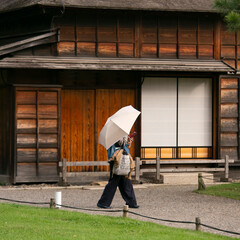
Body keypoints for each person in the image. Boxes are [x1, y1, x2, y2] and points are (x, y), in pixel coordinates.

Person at [97, 136, 139, 209]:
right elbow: (117, 144)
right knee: (115, 181)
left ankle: (131, 202)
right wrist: (124, 141)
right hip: (116, 158)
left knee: (125, 180)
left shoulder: (119, 132)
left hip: (122, 157)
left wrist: (128, 142)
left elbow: (123, 144)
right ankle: (103, 202)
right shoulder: (114, 134)